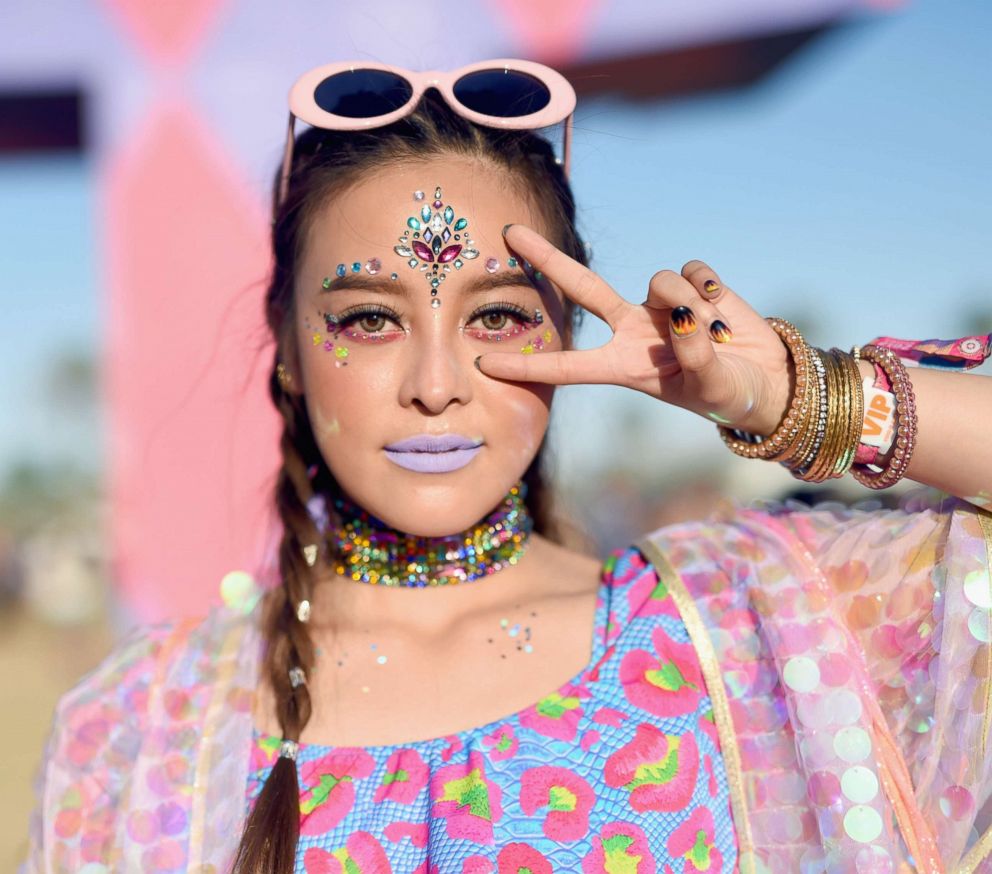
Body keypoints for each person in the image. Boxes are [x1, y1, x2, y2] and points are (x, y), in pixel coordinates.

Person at [25, 59, 992, 874]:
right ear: (286, 341)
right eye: (370, 318)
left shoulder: (754, 622)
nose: (438, 385)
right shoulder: (142, 725)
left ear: (567, 331)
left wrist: (793, 397)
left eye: (497, 316)